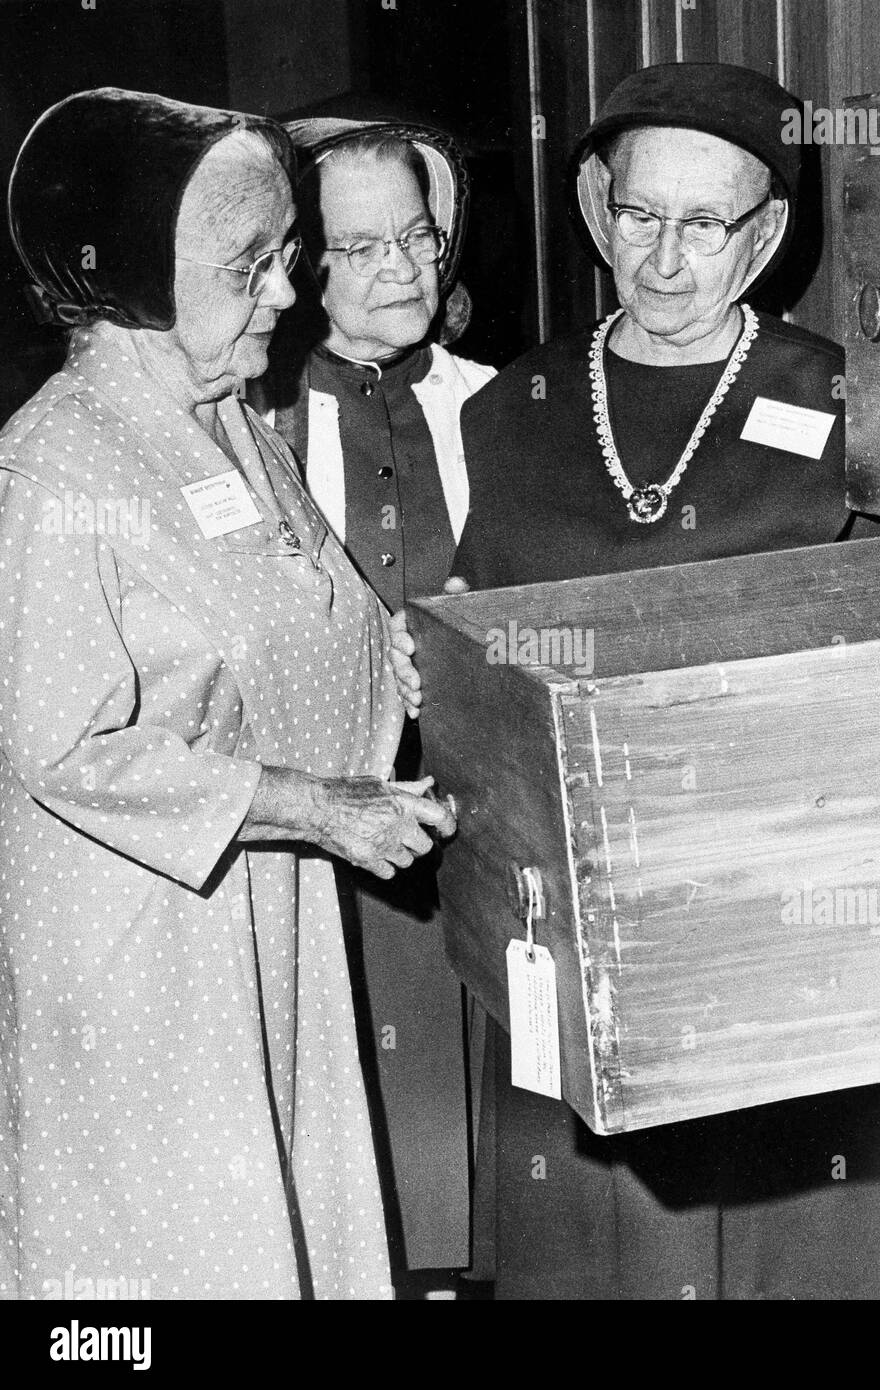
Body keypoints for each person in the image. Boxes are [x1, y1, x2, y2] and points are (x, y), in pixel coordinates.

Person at [0, 87, 454, 1301]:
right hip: (145, 951)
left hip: (262, 915)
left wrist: (404, 668)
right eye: (250, 266)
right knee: (165, 1263)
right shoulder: (55, 466)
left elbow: (309, 606)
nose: (292, 296)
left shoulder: (229, 416)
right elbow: (64, 747)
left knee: (276, 1229)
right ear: (138, 279)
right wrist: (313, 804)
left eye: (288, 259)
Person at [450, 63, 880, 1299]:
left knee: (777, 1245)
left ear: (763, 236)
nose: (664, 258)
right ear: (599, 208)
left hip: (769, 911)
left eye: (705, 226)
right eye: (641, 215)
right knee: (595, 1251)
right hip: (562, 908)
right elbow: (473, 638)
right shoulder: (512, 408)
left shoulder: (852, 400)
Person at [254, 116, 495, 1279]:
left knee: (499, 1155)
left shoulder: (508, 405)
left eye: (417, 235)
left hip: (488, 836)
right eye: (360, 249)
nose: (402, 268)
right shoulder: (254, 434)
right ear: (301, 267)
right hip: (326, 848)